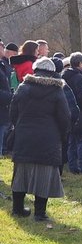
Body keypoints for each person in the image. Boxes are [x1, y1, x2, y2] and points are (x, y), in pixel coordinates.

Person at [8, 57, 70, 222]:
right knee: (45, 175)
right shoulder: (57, 91)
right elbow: (65, 117)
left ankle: (17, 209)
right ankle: (40, 214)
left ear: (35, 70)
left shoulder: (23, 88)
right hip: (48, 138)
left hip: (24, 137)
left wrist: (19, 127)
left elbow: (13, 113)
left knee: (20, 174)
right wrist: (62, 135)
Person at [63, 52, 82, 175]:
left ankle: (73, 166)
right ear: (80, 63)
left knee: (72, 140)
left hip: (67, 111)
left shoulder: (64, 75)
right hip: (80, 112)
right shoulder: (79, 77)